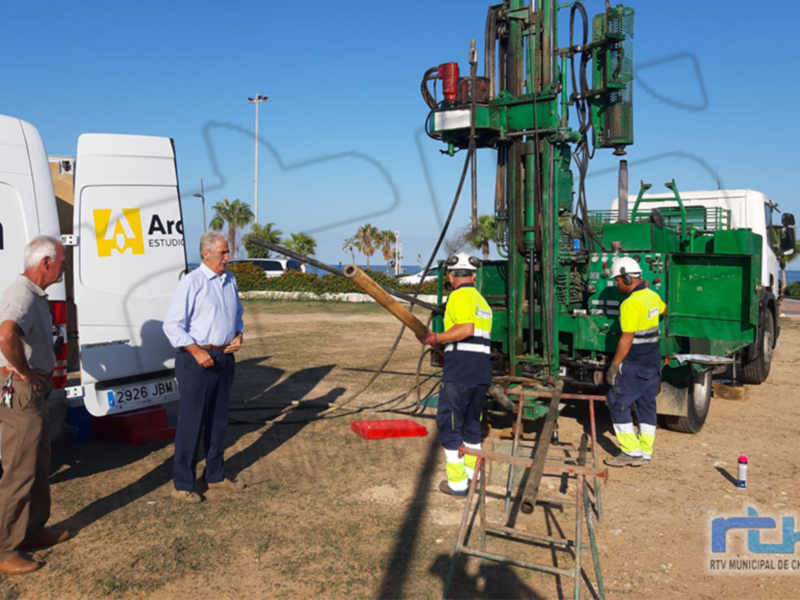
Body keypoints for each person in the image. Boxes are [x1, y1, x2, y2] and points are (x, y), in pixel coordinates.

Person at [0, 236, 69, 574]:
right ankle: (5, 549)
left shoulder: (35, 296)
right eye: (62, 261)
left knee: (38, 466)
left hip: (34, 394)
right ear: (45, 263)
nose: (63, 268)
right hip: (21, 394)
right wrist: (24, 373)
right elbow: (6, 334)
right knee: (19, 472)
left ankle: (31, 531)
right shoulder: (21, 294)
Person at [163, 232, 246, 502]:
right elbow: (172, 325)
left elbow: (237, 314)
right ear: (206, 254)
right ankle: (182, 484)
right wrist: (196, 351)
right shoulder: (192, 282)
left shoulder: (229, 280)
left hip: (224, 359)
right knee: (191, 422)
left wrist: (238, 335)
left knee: (218, 421)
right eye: (223, 253)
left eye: (227, 252)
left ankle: (214, 475)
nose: (227, 257)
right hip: (195, 361)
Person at [420, 253, 492, 496]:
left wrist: (436, 338)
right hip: (481, 370)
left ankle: (458, 484)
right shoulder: (481, 301)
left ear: (450, 276)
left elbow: (465, 329)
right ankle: (474, 476)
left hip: (460, 371)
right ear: (473, 275)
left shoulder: (458, 297)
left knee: (449, 426)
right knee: (472, 425)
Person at [604, 257, 667, 468]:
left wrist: (614, 366)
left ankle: (631, 452)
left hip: (635, 364)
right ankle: (646, 452)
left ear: (627, 277)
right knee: (646, 405)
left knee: (616, 401)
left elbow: (627, 337)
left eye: (618, 281)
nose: (617, 285)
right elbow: (664, 310)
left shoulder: (630, 303)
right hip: (653, 363)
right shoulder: (652, 296)